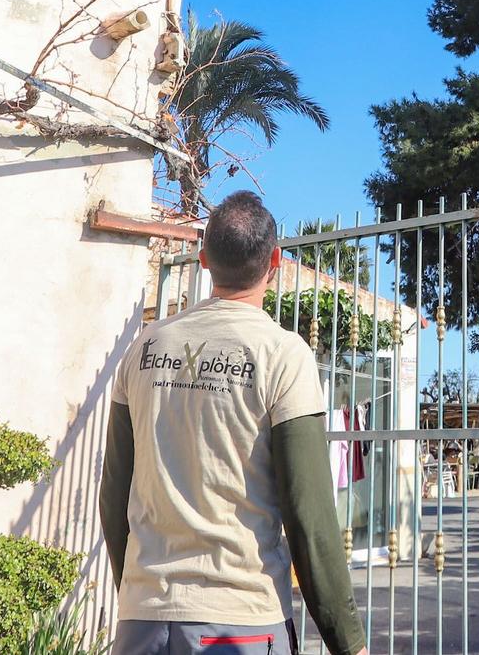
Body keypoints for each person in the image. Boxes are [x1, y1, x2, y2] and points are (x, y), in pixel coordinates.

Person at [100, 190, 367, 655]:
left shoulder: (144, 348)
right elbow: (309, 513)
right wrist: (349, 642)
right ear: (276, 262)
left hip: (142, 622)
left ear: (203, 260)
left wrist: (141, 591)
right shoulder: (282, 355)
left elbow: (114, 492)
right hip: (239, 623)